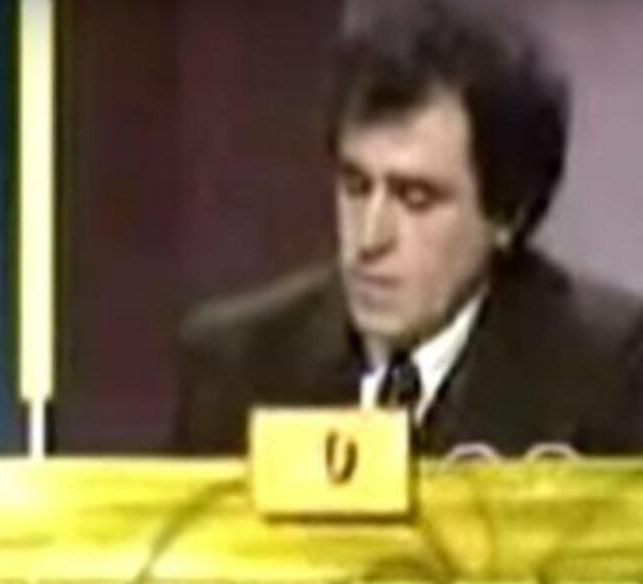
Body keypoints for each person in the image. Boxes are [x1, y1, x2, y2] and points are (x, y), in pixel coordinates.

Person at [173, 0, 643, 457]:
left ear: (508, 214)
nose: (369, 239)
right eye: (356, 187)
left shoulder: (606, 374)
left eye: (416, 199)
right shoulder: (235, 368)